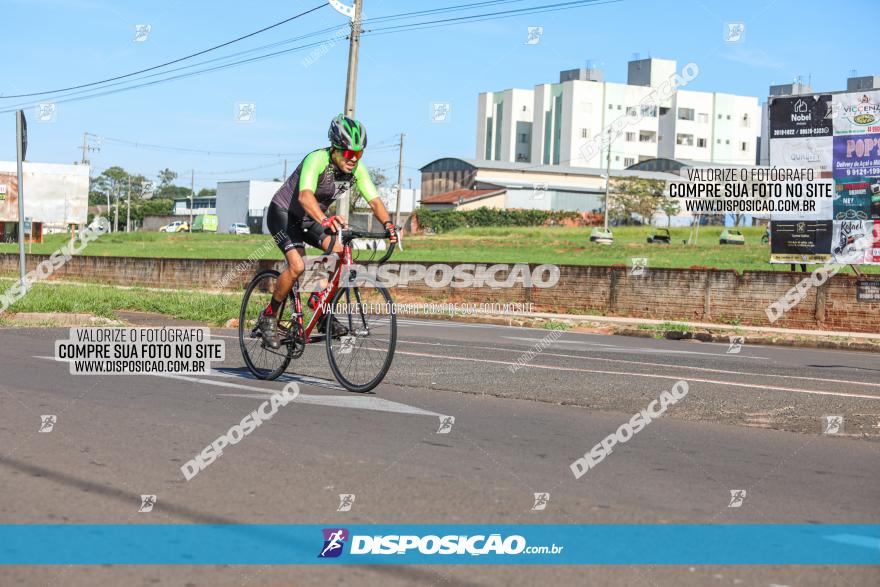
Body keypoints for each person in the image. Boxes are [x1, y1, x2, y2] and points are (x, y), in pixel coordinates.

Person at [259, 114, 398, 349]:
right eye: (348, 153)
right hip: (284, 214)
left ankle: (320, 306)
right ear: (334, 149)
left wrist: (389, 225)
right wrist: (325, 219)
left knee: (342, 252)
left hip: (312, 218)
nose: (353, 159)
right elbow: (305, 196)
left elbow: (374, 200)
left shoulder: (356, 170)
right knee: (298, 266)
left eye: (359, 153)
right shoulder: (317, 159)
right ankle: (269, 317)